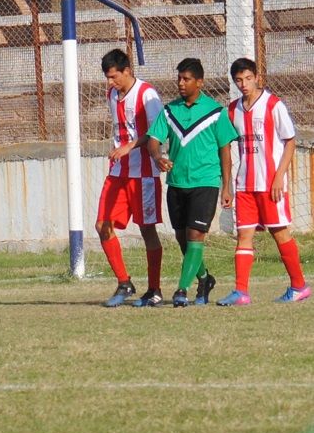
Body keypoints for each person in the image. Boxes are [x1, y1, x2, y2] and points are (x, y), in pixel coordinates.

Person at [145, 58, 238, 307]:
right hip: (177, 183)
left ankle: (182, 289)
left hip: (205, 182)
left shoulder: (216, 112)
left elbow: (225, 151)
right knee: (182, 238)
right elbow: (153, 140)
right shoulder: (169, 110)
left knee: (195, 234)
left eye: (186, 79)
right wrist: (158, 157)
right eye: (179, 78)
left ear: (200, 82)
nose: (181, 83)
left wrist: (226, 186)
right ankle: (205, 279)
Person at [216, 58, 310, 306]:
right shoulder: (232, 110)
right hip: (245, 185)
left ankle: (299, 286)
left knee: (280, 233)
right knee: (243, 235)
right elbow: (224, 146)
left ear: (257, 77)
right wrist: (226, 185)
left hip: (270, 184)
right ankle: (241, 292)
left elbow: (290, 141)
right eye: (239, 80)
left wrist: (279, 177)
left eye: (248, 78)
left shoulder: (273, 105)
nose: (244, 84)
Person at [97, 49, 165, 307]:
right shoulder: (112, 95)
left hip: (143, 174)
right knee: (102, 225)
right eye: (107, 77)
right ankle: (124, 282)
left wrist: (130, 146)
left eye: (114, 76)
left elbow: (159, 130)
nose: (110, 82)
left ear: (127, 71)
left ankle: (155, 289)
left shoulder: (146, 94)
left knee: (147, 230)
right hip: (118, 173)